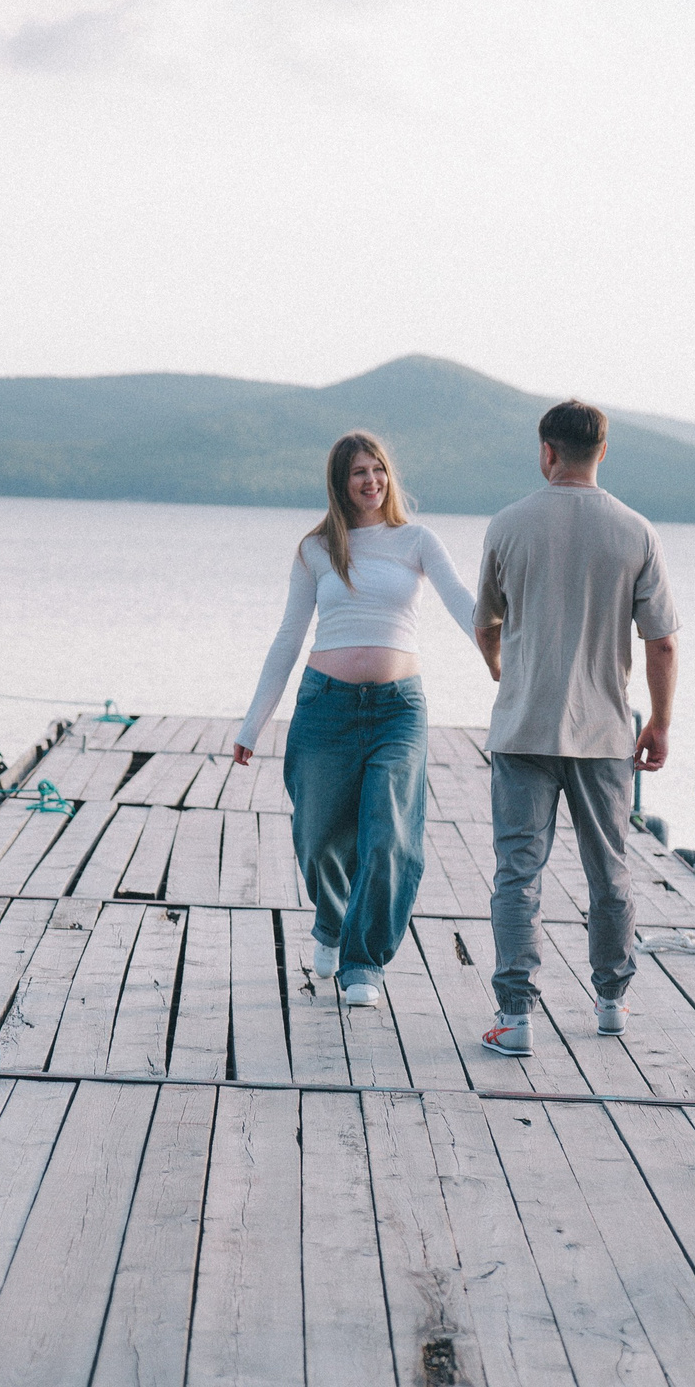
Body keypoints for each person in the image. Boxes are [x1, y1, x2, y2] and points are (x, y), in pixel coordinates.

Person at [232, 431, 478, 1007]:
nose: (371, 481)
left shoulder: (417, 540)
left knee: (389, 837)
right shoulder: (316, 548)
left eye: (379, 470)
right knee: (319, 838)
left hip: (399, 711)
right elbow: (289, 637)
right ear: (341, 485)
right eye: (359, 473)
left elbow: (463, 604)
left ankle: (363, 962)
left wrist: (504, 658)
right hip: (326, 707)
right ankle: (331, 922)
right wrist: (252, 724)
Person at [474, 399, 679, 1056]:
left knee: (518, 874)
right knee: (609, 870)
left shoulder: (508, 525)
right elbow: (662, 644)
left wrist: (503, 669)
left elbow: (487, 623)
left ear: (547, 451)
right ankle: (612, 1002)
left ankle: (516, 1016)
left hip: (524, 726)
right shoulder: (636, 531)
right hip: (602, 731)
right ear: (602, 451)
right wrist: (662, 723)